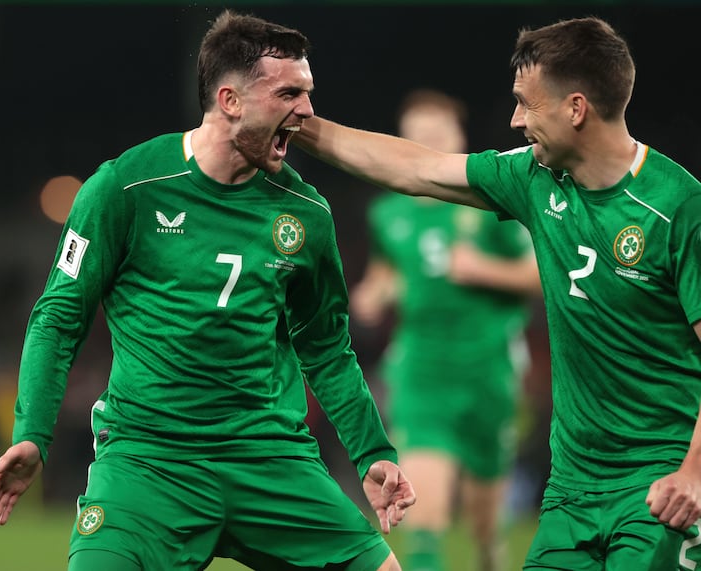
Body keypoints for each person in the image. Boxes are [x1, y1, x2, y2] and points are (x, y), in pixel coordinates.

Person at [0, 10, 415, 571]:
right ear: (231, 101)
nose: (307, 112)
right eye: (288, 93)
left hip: (267, 458)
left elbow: (327, 348)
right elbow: (58, 316)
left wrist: (371, 454)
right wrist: (32, 433)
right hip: (148, 461)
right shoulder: (125, 187)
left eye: (307, 94)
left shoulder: (305, 213)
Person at [294, 16, 701, 571]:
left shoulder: (678, 206)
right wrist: (298, 124)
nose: (514, 120)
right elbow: (419, 169)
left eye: (526, 104)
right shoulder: (534, 178)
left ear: (575, 109)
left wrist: (695, 474)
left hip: (659, 483)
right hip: (571, 492)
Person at [350, 88, 540, 571]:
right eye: (418, 136)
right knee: (424, 514)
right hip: (421, 369)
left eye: (438, 134)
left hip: (487, 371)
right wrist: (375, 291)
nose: (428, 143)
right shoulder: (389, 213)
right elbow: (390, 270)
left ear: (458, 138)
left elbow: (541, 275)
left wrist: (482, 269)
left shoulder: (489, 202)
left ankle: (489, 555)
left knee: (483, 532)